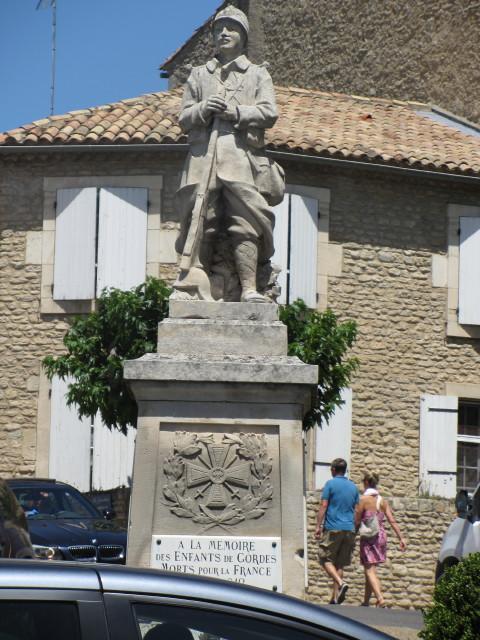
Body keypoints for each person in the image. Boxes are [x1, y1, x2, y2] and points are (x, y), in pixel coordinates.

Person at [173, 5, 284, 303]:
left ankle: (249, 289)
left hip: (240, 158)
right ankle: (200, 289)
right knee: (201, 218)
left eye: (231, 28)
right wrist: (202, 109)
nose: (223, 33)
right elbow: (183, 118)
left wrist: (236, 112)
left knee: (245, 221)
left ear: (244, 37)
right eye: (218, 29)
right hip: (202, 159)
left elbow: (269, 112)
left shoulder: (257, 75)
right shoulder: (198, 75)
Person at [355, 470, 407, 607]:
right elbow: (392, 520)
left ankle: (380, 598)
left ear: (366, 483)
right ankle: (366, 601)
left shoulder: (363, 500)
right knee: (372, 568)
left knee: (368, 569)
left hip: (369, 537)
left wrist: (351, 533)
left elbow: (356, 519)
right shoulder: (382, 501)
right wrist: (401, 537)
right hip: (381, 536)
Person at [315, 458, 359, 604]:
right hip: (349, 529)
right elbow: (357, 510)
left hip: (333, 528)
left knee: (324, 558)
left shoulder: (330, 484)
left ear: (333, 470)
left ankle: (340, 583)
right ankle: (335, 598)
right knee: (339, 563)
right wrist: (354, 528)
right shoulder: (353, 487)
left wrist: (318, 526)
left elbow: (324, 505)